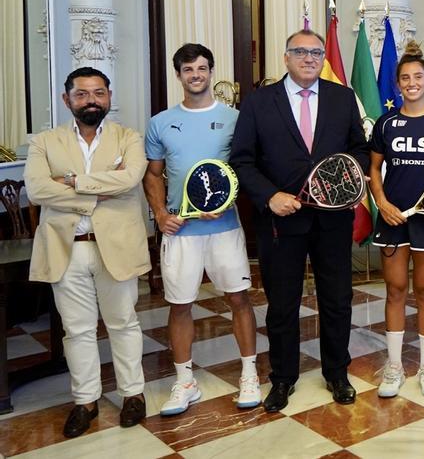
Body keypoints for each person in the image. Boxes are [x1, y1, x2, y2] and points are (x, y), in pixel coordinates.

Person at [229, 29, 370, 412]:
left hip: (332, 220)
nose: (309, 58)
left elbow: (358, 149)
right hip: (280, 221)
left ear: (323, 58)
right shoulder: (259, 103)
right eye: (300, 52)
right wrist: (269, 196)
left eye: (316, 52)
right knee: (282, 304)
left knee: (337, 299)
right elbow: (241, 160)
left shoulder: (343, 98)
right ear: (286, 57)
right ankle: (283, 378)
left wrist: (340, 183)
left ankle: (337, 374)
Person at [24, 67, 149, 437]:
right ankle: (86, 402)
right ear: (68, 100)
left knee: (123, 323)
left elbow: (129, 180)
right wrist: (98, 193)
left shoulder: (130, 138)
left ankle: (133, 395)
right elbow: (36, 190)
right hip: (67, 249)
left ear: (109, 96)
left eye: (98, 93)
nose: (91, 100)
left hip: (117, 248)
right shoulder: (44, 142)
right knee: (76, 331)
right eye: (82, 94)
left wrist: (73, 182)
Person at [143, 44, 261, 416]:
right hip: (180, 231)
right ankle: (185, 382)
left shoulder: (235, 118)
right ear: (178, 75)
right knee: (179, 306)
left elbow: (247, 168)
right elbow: (153, 174)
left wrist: (226, 202)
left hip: (225, 227)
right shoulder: (160, 122)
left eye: (202, 68)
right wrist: (161, 214)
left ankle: (249, 374)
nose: (196, 75)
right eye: (188, 69)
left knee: (239, 299)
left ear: (211, 71)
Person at [368, 46, 424, 398]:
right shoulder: (386, 123)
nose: (411, 83)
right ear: (397, 83)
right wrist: (382, 203)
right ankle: (393, 367)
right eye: (405, 78)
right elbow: (374, 169)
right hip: (393, 218)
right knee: (394, 290)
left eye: (418, 77)